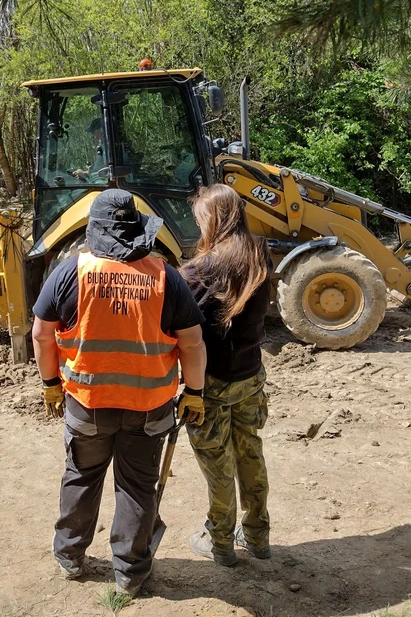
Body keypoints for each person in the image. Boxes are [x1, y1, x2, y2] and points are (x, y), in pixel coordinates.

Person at [32, 189, 207, 597]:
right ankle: (130, 573)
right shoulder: (166, 276)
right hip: (149, 409)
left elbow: (41, 334)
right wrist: (194, 391)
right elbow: (194, 343)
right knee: (137, 486)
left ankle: (70, 558)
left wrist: (50, 384)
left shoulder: (69, 271)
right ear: (137, 231)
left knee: (81, 476)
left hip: (87, 405)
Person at [179, 183, 273, 566]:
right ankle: (258, 538)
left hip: (211, 383)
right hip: (251, 374)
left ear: (214, 219)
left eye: (200, 219)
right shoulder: (260, 254)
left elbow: (182, 333)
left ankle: (220, 543)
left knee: (218, 465)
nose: (198, 227)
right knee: (250, 454)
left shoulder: (199, 271)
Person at [71, 117, 107, 182]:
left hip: (102, 183)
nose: (92, 135)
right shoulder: (103, 147)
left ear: (101, 130)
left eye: (93, 131)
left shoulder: (108, 149)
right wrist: (90, 170)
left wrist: (84, 173)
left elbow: (107, 172)